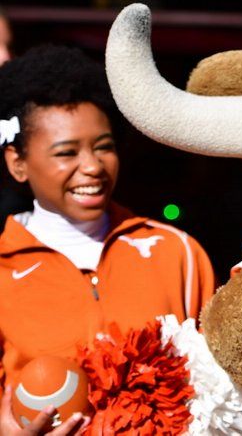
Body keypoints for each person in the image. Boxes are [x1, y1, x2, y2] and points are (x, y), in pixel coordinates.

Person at [0, 46, 217, 435]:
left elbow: (221, 392)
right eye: (66, 152)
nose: (93, 166)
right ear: (18, 163)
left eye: (104, 147)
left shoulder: (178, 252)